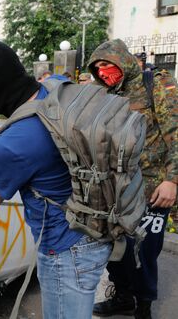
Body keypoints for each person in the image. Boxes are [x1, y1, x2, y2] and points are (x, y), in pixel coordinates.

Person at [0, 40, 111, 319]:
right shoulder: (54, 87)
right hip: (97, 224)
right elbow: (33, 117)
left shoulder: (12, 145)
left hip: (65, 248)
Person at [88, 39, 177, 319]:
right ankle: (124, 297)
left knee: (145, 251)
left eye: (107, 64)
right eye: (98, 67)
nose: (103, 71)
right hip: (115, 189)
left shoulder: (157, 85)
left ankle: (145, 305)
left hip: (153, 188)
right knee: (116, 249)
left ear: (123, 61)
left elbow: (176, 133)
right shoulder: (104, 95)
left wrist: (173, 180)